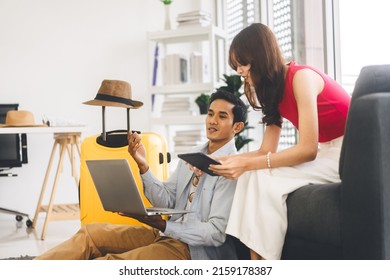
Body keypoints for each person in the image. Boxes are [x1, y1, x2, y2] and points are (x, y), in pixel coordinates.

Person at [34, 89, 247, 260]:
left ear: (237, 126)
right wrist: (143, 166)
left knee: (110, 263)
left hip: (193, 253)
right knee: (90, 234)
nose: (212, 121)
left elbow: (216, 233)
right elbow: (168, 199)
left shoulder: (233, 169)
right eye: (210, 114)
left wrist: (163, 224)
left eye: (222, 116)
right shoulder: (192, 156)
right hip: (165, 235)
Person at [207, 23, 351, 260]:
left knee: (259, 175)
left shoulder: (301, 78)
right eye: (237, 66)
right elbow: (266, 150)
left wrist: (246, 164)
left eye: (243, 64)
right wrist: (225, 159)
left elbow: (307, 150)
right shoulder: (272, 89)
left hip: (348, 152)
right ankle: (257, 263)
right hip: (328, 150)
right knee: (252, 175)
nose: (240, 72)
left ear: (260, 57)